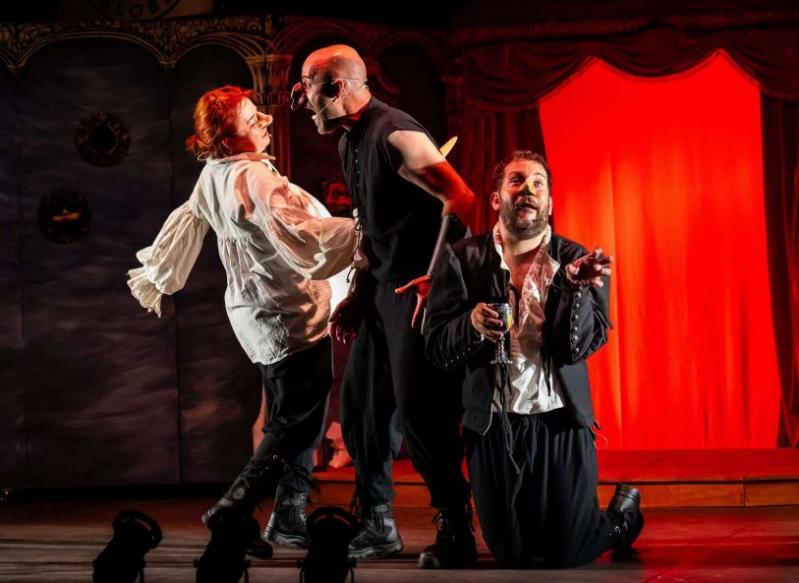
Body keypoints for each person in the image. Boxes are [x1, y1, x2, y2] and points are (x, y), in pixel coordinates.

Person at [127, 85, 359, 558]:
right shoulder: (252, 177)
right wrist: (364, 228)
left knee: (292, 421)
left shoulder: (215, 172)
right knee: (294, 427)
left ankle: (286, 517)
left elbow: (190, 219)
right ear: (229, 140)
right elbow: (301, 235)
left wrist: (159, 272)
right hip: (288, 315)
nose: (266, 122)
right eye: (253, 120)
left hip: (259, 316)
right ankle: (232, 508)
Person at [291, 45, 477, 568]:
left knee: (422, 414)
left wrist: (437, 277)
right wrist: (358, 294)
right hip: (380, 291)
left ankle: (456, 529)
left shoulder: (396, 133)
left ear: (335, 88)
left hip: (416, 293)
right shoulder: (349, 140)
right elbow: (376, 228)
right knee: (362, 411)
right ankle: (378, 523)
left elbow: (462, 200)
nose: (300, 100)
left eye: (305, 87)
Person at [424, 150, 644, 568]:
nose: (527, 190)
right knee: (511, 555)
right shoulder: (461, 257)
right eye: (516, 181)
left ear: (550, 203)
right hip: (493, 426)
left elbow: (577, 349)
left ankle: (621, 520)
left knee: (567, 553)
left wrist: (574, 289)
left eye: (538, 183)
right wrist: (470, 324)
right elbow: (435, 347)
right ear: (496, 199)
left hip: (558, 422)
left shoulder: (577, 259)